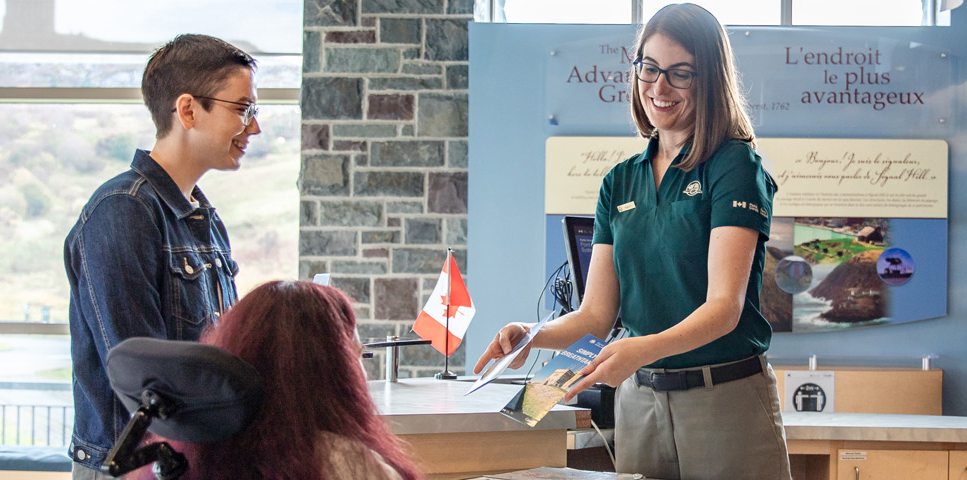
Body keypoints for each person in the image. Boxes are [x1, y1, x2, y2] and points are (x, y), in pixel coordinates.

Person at [474, 4, 790, 479]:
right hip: (640, 404)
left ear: (710, 80)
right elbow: (596, 316)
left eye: (680, 74)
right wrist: (530, 334)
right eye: (649, 67)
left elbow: (724, 307)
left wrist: (640, 348)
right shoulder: (619, 183)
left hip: (725, 400)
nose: (659, 87)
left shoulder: (735, 167)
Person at [64, 34, 263, 479]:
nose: (254, 128)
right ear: (188, 110)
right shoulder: (123, 209)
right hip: (139, 469)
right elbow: (141, 378)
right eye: (242, 109)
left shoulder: (204, 217)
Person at [149, 281, 421, 480]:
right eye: (356, 356)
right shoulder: (350, 464)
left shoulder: (184, 456)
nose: (362, 373)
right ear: (332, 370)